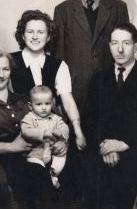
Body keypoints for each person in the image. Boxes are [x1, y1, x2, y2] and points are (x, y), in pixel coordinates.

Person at [0, 49, 68, 209]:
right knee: (35, 178)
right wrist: (12, 147)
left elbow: (51, 122)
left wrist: (61, 142)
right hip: (3, 158)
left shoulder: (25, 100)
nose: (1, 75)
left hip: (39, 151)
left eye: (5, 69)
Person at [82, 22, 137, 209]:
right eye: (115, 43)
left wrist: (124, 144)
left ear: (136, 46)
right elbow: (90, 121)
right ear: (109, 46)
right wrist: (106, 147)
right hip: (103, 148)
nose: (120, 49)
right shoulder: (98, 79)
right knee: (92, 180)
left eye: (126, 43)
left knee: (121, 181)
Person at [54, 0, 129, 114]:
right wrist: (60, 98)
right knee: (77, 137)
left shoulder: (118, 7)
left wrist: (124, 89)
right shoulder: (62, 10)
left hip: (110, 88)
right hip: (74, 91)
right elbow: (58, 55)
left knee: (109, 137)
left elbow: (126, 50)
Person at [10, 9, 86, 149]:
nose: (35, 37)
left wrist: (78, 131)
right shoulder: (9, 61)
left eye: (41, 32)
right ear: (22, 35)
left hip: (51, 130)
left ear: (49, 37)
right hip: (19, 132)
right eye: (30, 32)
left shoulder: (58, 65)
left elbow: (68, 102)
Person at [21, 85, 69, 189]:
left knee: (62, 154)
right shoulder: (29, 118)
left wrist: (61, 134)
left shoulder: (56, 118)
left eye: (47, 103)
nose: (44, 107)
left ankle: (54, 172)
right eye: (38, 104)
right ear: (30, 106)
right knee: (35, 166)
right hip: (37, 151)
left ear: (53, 103)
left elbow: (65, 128)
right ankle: (47, 178)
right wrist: (43, 133)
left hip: (53, 151)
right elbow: (26, 131)